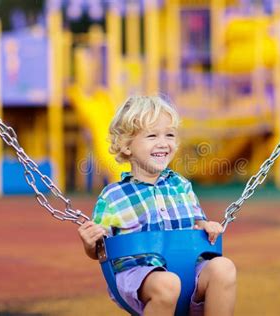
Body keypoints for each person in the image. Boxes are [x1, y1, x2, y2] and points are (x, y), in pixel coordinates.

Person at [78, 96, 236, 316]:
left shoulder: (181, 186)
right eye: (152, 135)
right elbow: (99, 250)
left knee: (224, 268)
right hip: (141, 277)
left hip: (187, 269)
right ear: (126, 146)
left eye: (169, 135)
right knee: (167, 284)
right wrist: (89, 242)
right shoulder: (113, 196)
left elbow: (198, 224)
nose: (163, 143)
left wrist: (209, 227)